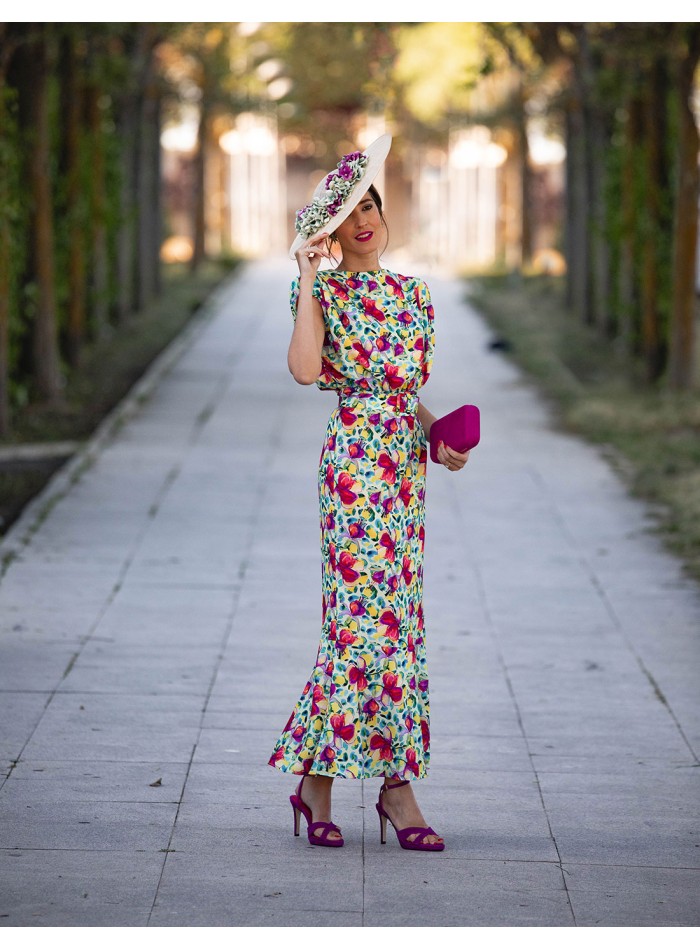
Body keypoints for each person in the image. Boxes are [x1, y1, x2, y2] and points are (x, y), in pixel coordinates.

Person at [267, 134, 470, 851]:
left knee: (399, 630)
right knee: (357, 626)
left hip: (403, 473)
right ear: (331, 230)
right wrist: (307, 277)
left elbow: (406, 393)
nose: (365, 221)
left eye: (373, 208)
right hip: (353, 469)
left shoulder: (413, 296)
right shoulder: (320, 291)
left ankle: (330, 785)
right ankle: (395, 793)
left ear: (386, 217)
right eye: (350, 212)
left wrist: (439, 438)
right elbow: (301, 371)